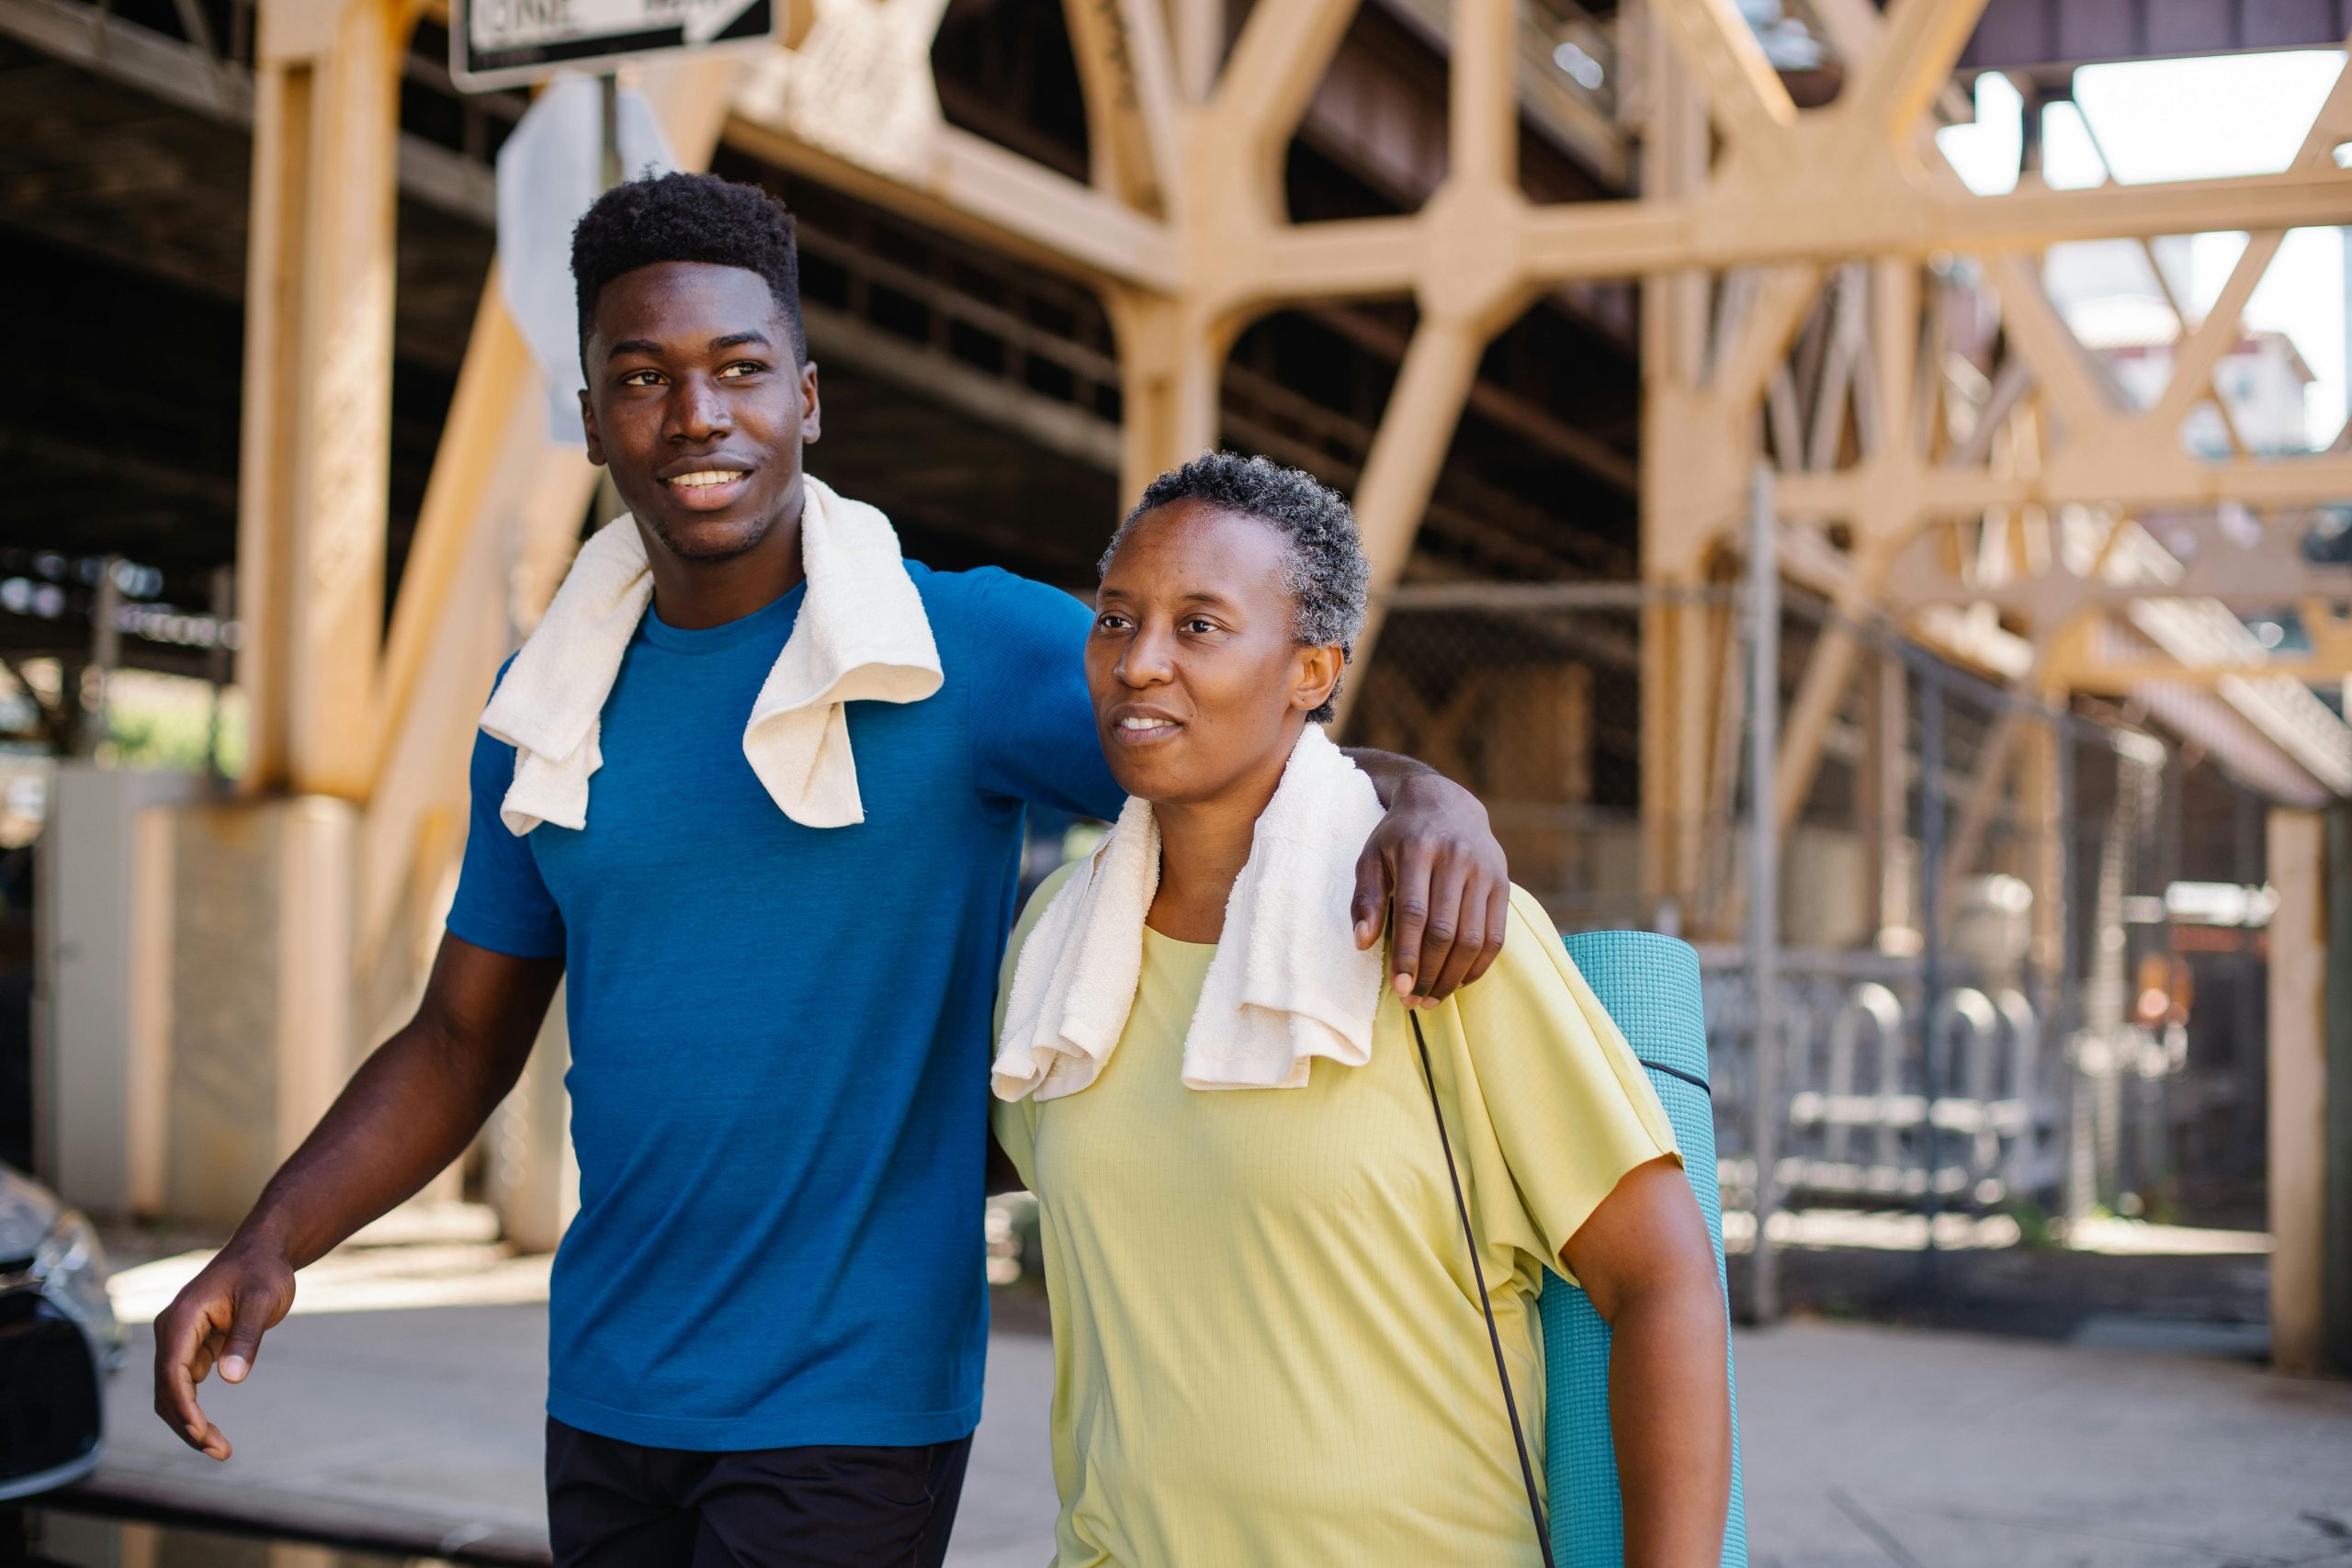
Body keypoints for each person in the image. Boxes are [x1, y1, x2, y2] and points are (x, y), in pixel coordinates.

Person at [150, 174, 1517, 1567]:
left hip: (850, 1396)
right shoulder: (542, 708)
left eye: (741, 370)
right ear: (592, 418)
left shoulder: (957, 650)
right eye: (643, 376)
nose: (697, 416)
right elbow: (459, 1037)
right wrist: (272, 1241)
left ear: (806, 398)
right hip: (611, 1380)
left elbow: (1247, 747)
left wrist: (1424, 795)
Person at [989, 454, 1733, 1566]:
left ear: (1310, 669)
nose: (1139, 663)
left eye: (1199, 627)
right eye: (1116, 620)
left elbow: (1662, 1280)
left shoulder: (1443, 928)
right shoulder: (1063, 939)